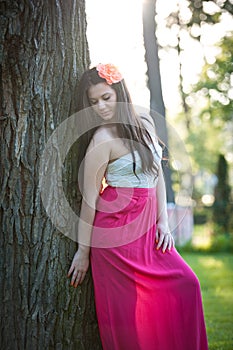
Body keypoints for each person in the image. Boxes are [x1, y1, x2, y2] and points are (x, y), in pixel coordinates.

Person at [68, 64, 208, 350]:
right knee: (127, 317)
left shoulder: (144, 120)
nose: (101, 107)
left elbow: (155, 174)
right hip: (114, 237)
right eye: (94, 102)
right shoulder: (101, 140)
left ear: (119, 92)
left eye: (106, 98)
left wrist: (163, 222)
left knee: (187, 284)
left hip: (148, 229)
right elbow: (90, 201)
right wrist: (83, 253)